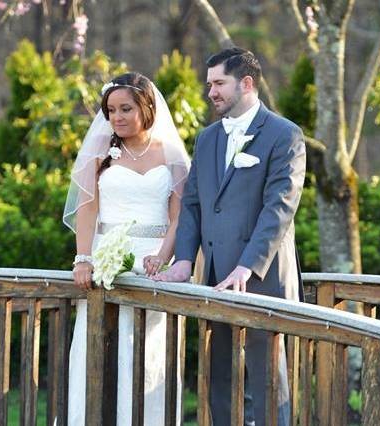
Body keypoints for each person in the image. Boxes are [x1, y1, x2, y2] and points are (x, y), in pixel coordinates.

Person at [155, 47, 306, 425]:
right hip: (214, 279)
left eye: (219, 83)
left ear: (247, 83)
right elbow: (192, 205)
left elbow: (279, 209)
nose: (212, 92)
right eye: (210, 84)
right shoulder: (207, 139)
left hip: (264, 277)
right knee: (218, 377)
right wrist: (185, 260)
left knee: (268, 380)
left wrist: (246, 267)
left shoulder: (285, 135)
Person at [62, 72, 190, 425]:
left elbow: (180, 217)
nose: (116, 117)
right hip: (107, 260)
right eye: (110, 110)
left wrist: (163, 257)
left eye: (125, 108)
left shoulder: (172, 156)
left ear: (146, 107)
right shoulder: (100, 154)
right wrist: (84, 259)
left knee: (150, 354)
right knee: (99, 347)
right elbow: (88, 209)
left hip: (156, 265)